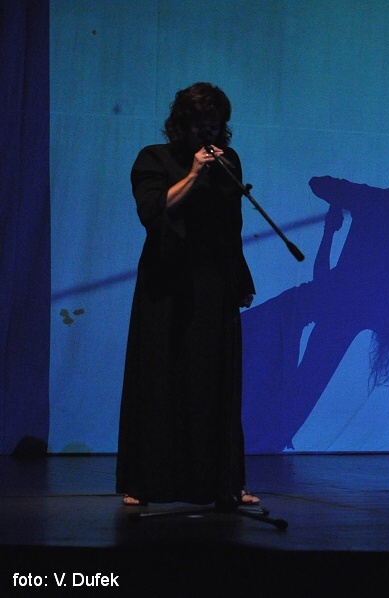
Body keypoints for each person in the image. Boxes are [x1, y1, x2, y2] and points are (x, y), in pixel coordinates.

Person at [116, 82, 258, 507]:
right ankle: (145, 482)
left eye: (215, 126)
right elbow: (153, 212)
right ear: (182, 125)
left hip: (214, 281)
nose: (208, 134)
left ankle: (225, 481)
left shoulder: (228, 161)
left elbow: (230, 226)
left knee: (216, 380)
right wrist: (194, 175)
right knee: (161, 376)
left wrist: (240, 277)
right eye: (201, 126)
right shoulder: (153, 158)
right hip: (167, 283)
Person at [240, 143, 389, 453]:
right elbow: (319, 184)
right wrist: (339, 204)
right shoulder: (385, 207)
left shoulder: (377, 203)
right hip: (356, 303)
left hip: (359, 304)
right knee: (317, 376)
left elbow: (320, 184)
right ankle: (265, 439)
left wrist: (339, 205)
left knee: (317, 376)